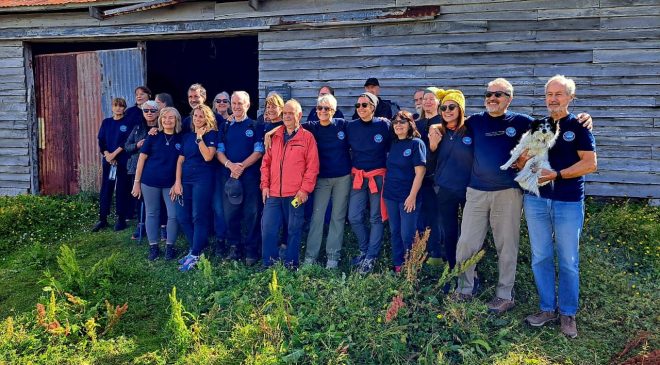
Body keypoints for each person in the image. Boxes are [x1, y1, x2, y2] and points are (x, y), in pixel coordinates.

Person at [453, 78, 592, 314]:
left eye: (498, 94)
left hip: (508, 193)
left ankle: (504, 294)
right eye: (488, 94)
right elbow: (447, 122)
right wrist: (433, 125)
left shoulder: (523, 122)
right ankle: (464, 288)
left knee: (507, 245)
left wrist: (585, 118)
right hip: (476, 192)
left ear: (509, 99)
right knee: (467, 242)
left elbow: (554, 124)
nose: (492, 98)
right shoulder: (474, 121)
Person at [523, 75, 597, 338]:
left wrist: (557, 174)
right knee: (541, 256)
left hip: (568, 201)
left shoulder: (579, 126)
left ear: (570, 97)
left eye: (559, 94)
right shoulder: (537, 126)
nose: (553, 99)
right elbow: (525, 158)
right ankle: (547, 308)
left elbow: (590, 164)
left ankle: (568, 313)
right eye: (549, 94)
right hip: (536, 200)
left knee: (567, 260)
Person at [260, 99, 319, 268]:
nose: (286, 116)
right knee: (268, 229)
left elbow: (312, 167)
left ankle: (291, 264)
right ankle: (269, 264)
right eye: (284, 113)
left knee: (294, 230)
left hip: (295, 194)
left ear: (299, 115)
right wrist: (265, 185)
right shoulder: (275, 136)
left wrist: (305, 190)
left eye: (290, 113)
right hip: (273, 193)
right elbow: (266, 163)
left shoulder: (307, 137)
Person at [301, 94, 352, 269]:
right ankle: (310, 257)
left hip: (342, 178)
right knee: (317, 216)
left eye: (328, 108)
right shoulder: (311, 127)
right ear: (316, 110)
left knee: (337, 217)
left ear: (334, 110)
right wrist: (271, 132)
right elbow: (289, 125)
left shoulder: (343, 125)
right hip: (321, 178)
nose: (324, 111)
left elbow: (363, 124)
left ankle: (333, 257)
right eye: (320, 108)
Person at [215, 91, 265, 265]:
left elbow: (259, 151)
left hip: (250, 177)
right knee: (230, 214)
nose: (236, 106)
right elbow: (219, 151)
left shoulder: (255, 125)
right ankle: (235, 248)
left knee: (251, 214)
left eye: (240, 103)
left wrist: (241, 166)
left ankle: (252, 249)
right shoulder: (225, 127)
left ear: (248, 105)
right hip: (229, 178)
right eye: (234, 103)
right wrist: (231, 166)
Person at [346, 92, 392, 274]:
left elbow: (402, 134)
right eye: (358, 106)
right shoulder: (351, 127)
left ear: (373, 107)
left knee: (375, 217)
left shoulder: (384, 125)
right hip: (358, 176)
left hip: (377, 176)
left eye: (364, 105)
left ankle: (371, 257)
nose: (360, 109)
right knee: (354, 216)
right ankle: (364, 249)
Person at [131, 107, 183, 261]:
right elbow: (141, 159)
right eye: (165, 117)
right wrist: (136, 182)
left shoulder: (182, 138)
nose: (168, 120)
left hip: (170, 184)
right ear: (160, 119)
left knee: (173, 215)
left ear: (177, 120)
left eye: (171, 118)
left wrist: (177, 182)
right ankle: (153, 247)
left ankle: (169, 247)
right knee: (152, 213)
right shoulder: (153, 136)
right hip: (150, 181)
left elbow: (181, 162)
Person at [428, 90, 472, 271]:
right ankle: (453, 267)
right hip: (445, 189)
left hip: (469, 190)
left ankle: (470, 269)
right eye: (443, 107)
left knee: (469, 233)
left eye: (452, 107)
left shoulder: (471, 131)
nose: (447, 111)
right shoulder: (438, 132)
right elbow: (431, 164)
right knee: (449, 231)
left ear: (460, 109)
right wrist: (432, 146)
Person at [173, 104, 218, 272]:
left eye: (201, 116)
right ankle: (196, 249)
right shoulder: (186, 137)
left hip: (202, 179)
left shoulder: (211, 134)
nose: (197, 119)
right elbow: (180, 160)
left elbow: (208, 157)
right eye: (195, 116)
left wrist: (200, 138)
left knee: (198, 215)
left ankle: (196, 253)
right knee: (182, 215)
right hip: (186, 179)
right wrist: (177, 182)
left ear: (207, 118)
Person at [383, 110, 426, 272]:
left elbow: (420, 173)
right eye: (395, 122)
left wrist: (412, 196)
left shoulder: (416, 144)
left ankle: (412, 267)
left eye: (402, 121)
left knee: (407, 234)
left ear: (410, 124)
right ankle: (398, 265)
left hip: (408, 196)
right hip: (391, 195)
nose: (398, 125)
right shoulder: (393, 144)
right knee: (395, 232)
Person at [414, 87, 445, 264]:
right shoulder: (417, 124)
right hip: (420, 177)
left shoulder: (442, 121)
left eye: (431, 99)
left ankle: (437, 254)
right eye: (424, 99)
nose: (427, 101)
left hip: (437, 176)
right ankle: (421, 253)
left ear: (438, 102)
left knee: (437, 216)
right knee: (421, 216)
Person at [92, 97, 132, 232]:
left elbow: (126, 142)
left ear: (124, 108)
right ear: (112, 107)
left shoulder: (128, 122)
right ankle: (102, 218)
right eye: (116, 105)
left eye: (121, 106)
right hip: (109, 160)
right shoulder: (106, 122)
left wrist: (114, 154)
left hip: (122, 160)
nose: (118, 108)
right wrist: (107, 154)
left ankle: (121, 219)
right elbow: (101, 141)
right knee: (106, 188)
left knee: (122, 188)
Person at [125, 100, 160, 240]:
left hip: (155, 168)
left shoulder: (162, 126)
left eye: (152, 110)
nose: (149, 113)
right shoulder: (138, 127)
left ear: (158, 112)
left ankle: (160, 226)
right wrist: (137, 145)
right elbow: (126, 146)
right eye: (146, 111)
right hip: (137, 167)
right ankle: (141, 225)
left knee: (158, 198)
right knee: (139, 197)